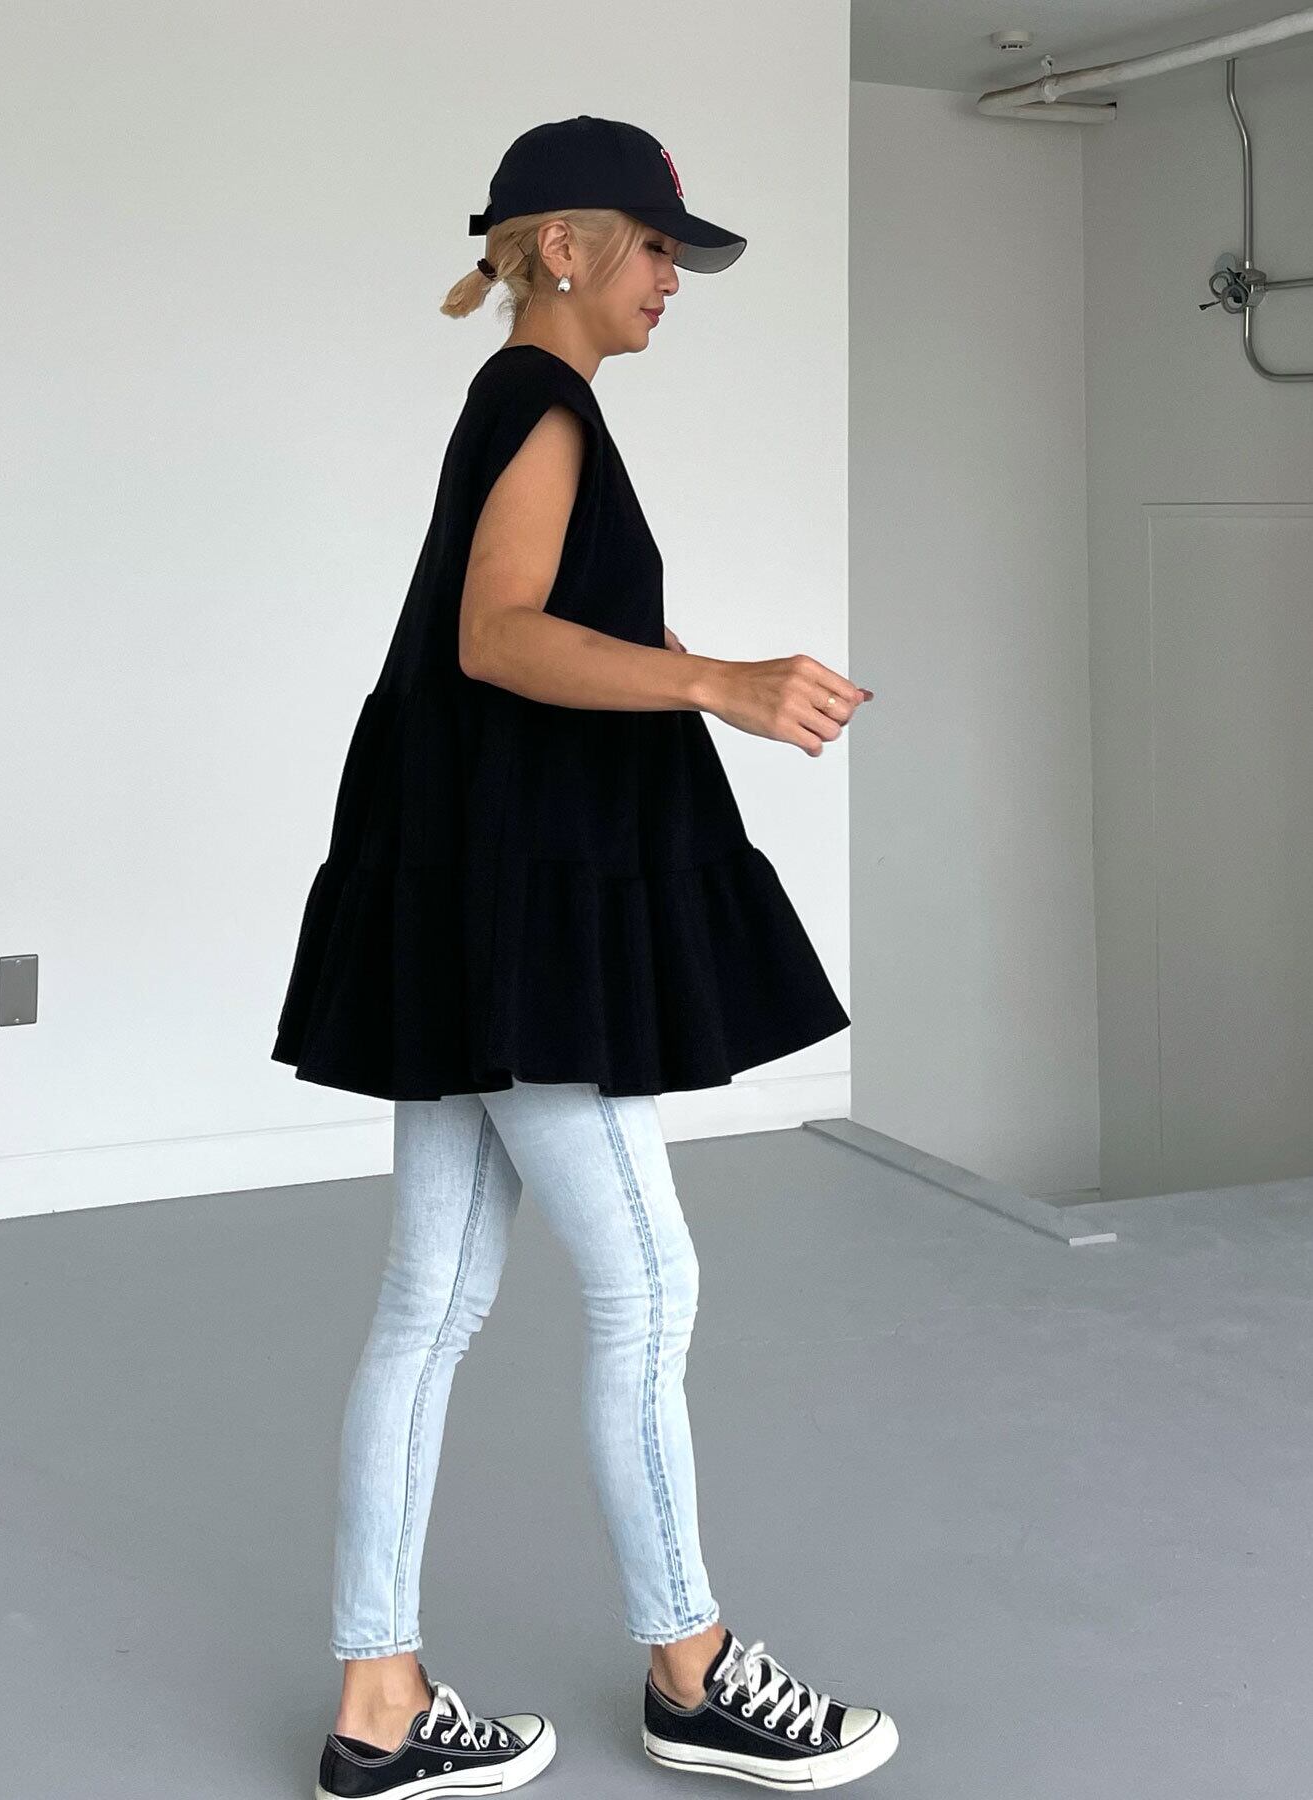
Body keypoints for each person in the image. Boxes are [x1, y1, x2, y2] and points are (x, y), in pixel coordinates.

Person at [273, 116, 896, 1798]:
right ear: (563, 245)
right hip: (523, 920)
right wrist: (717, 684)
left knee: (431, 1304)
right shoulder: (540, 405)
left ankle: (380, 1707)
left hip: (468, 902)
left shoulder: (526, 409)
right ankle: (692, 1673)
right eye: (655, 247)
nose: (672, 279)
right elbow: (496, 637)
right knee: (648, 1288)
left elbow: (534, 632)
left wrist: (688, 659)